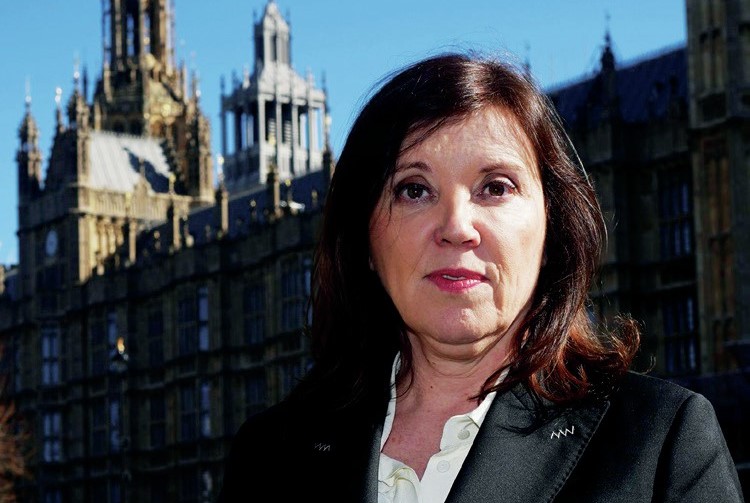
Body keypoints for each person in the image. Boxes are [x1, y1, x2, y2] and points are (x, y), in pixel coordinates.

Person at [218, 53, 744, 502]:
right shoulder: (268, 457)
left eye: (495, 186)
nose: (456, 227)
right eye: (414, 190)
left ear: (551, 228)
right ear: (365, 243)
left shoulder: (661, 444)